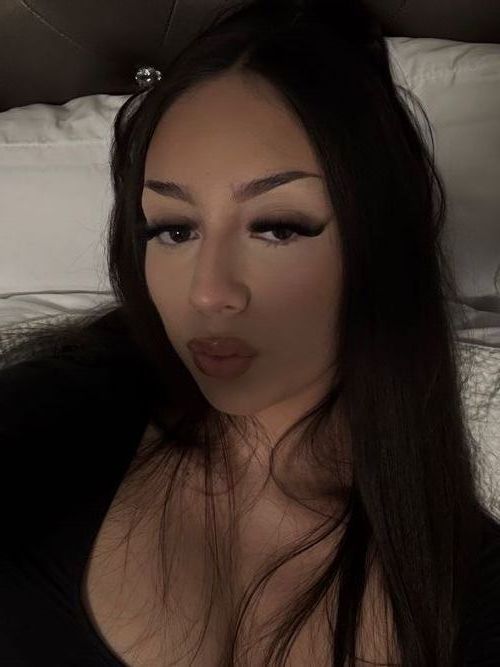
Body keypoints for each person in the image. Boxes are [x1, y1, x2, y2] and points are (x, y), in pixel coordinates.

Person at [1, 1, 499, 665]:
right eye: (174, 230)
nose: (208, 292)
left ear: (381, 240)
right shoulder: (53, 420)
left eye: (278, 227)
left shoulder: (473, 588)